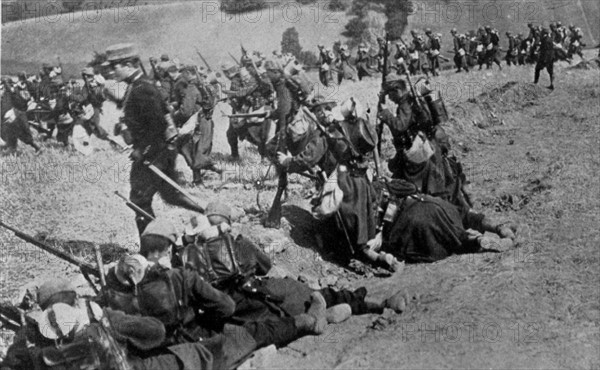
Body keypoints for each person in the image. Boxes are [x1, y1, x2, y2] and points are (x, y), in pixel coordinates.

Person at [102, 43, 206, 234]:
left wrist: (142, 150)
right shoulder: (137, 86)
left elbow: (157, 125)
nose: (112, 71)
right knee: (170, 194)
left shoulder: (142, 89)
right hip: (158, 151)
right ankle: (208, 213)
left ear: (127, 64)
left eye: (114, 66)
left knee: (139, 201)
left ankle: (152, 245)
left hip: (154, 153)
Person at [1, 78, 41, 153]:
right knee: (11, 134)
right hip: (11, 117)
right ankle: (12, 148)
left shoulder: (11, 93)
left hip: (15, 116)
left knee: (22, 134)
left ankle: (37, 147)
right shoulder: (10, 93)